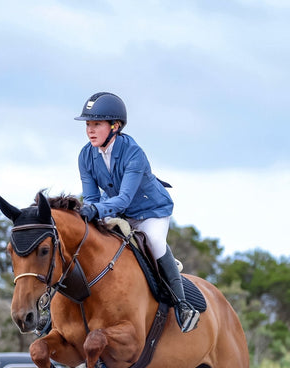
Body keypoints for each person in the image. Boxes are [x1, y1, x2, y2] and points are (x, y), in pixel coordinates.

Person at [74, 92, 199, 333]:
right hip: (114, 208)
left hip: (150, 211)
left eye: (96, 124)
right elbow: (90, 197)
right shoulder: (86, 155)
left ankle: (182, 304)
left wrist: (96, 209)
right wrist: (90, 211)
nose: (90, 130)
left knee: (153, 241)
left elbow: (123, 200)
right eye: (88, 124)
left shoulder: (133, 153)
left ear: (115, 126)